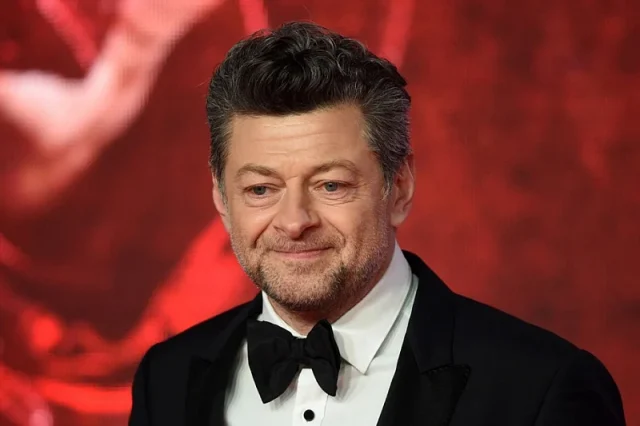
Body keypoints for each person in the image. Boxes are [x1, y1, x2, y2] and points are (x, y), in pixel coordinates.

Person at [128, 21, 626, 426]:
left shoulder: (541, 388)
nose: (294, 221)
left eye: (331, 185)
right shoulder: (166, 378)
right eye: (261, 189)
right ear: (221, 197)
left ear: (400, 188)